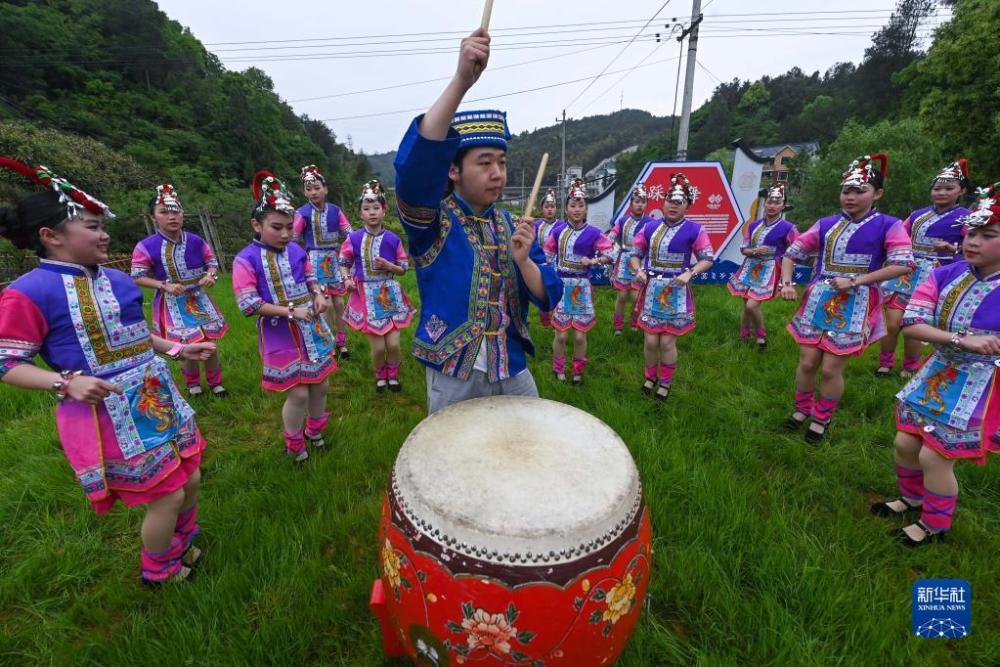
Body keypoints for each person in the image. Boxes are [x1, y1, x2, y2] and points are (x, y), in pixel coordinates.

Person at [0, 158, 214, 586]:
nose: (105, 234)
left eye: (102, 226)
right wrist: (66, 382)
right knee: (166, 493)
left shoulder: (117, 280)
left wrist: (178, 347)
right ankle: (158, 568)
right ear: (51, 236)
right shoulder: (27, 293)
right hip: (110, 410)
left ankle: (182, 541)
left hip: (156, 393)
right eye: (93, 227)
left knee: (191, 475)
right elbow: (7, 363)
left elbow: (137, 335)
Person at [392, 27, 563, 415]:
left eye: (501, 163)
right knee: (448, 456)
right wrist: (461, 82)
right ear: (453, 170)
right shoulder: (432, 223)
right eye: (484, 163)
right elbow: (415, 171)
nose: (497, 173)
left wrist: (524, 261)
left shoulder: (511, 226)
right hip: (454, 366)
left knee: (528, 442)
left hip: (510, 363)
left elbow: (549, 294)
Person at [870, 184, 1000, 546]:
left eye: (987, 235)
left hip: (982, 381)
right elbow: (912, 321)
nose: (973, 241)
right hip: (940, 368)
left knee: (935, 454)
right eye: (971, 233)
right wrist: (962, 340)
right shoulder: (945, 274)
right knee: (905, 442)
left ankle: (935, 524)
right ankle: (911, 499)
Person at [780, 154, 915, 443]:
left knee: (831, 367)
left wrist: (857, 280)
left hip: (857, 302)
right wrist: (787, 283)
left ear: (877, 193)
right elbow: (792, 254)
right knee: (807, 363)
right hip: (818, 299)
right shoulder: (826, 224)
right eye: (846, 191)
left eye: (860, 191)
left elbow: (904, 264)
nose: (851, 197)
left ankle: (822, 416)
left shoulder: (889, 225)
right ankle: (801, 409)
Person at [232, 171, 335, 463]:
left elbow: (310, 276)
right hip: (279, 330)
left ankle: (315, 431)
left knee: (322, 384)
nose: (286, 234)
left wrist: (318, 295)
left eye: (289, 227)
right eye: (276, 227)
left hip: (310, 322)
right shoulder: (245, 259)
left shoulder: (296, 251)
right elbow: (248, 304)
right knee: (299, 393)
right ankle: (294, 442)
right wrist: (291, 311)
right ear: (257, 224)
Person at [131, 184, 229, 396]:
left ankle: (216, 383)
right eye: (164, 212)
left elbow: (211, 262)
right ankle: (193, 385)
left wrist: (210, 276)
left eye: (175, 211)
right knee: (186, 345)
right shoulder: (146, 246)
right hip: (172, 303)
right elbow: (137, 275)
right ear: (153, 216)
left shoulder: (196, 240)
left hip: (200, 299)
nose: (171, 216)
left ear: (183, 214)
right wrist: (163, 285)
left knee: (209, 343)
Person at [876, 160, 971, 378]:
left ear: (962, 190)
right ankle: (885, 362)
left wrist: (952, 248)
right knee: (892, 323)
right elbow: (898, 235)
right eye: (937, 188)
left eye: (949, 188)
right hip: (907, 271)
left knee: (915, 324)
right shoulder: (918, 214)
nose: (942, 192)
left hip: (936, 274)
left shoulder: (966, 218)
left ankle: (910, 366)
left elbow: (974, 248)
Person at [630, 173, 715, 400]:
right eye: (669, 200)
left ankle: (665, 382)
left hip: (677, 289)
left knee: (667, 342)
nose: (673, 206)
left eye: (679, 202)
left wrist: (690, 272)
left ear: (687, 205)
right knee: (650, 340)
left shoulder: (695, 230)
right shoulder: (649, 228)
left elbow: (707, 258)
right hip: (651, 289)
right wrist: (638, 270)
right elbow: (635, 253)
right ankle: (650, 376)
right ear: (663, 202)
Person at [340, 180, 415, 392]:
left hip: (389, 295)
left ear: (384, 210)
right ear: (360, 213)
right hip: (366, 297)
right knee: (377, 347)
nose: (372, 212)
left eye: (376, 208)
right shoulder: (353, 239)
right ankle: (380, 375)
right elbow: (343, 262)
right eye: (366, 209)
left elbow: (403, 268)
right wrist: (346, 279)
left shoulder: (393, 239)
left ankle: (393, 374)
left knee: (393, 344)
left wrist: (389, 265)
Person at [544, 178, 615, 383]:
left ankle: (577, 370)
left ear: (586, 209)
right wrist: (549, 279)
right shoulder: (557, 232)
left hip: (583, 287)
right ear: (566, 208)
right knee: (561, 335)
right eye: (572, 205)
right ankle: (558, 368)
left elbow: (611, 254)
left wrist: (593, 260)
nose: (576, 209)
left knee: (579, 336)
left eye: (581, 205)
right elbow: (546, 258)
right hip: (562, 286)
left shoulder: (594, 233)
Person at [726, 182, 798, 349]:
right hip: (750, 266)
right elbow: (744, 249)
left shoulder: (789, 228)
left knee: (752, 304)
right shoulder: (753, 225)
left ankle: (760, 334)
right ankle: (744, 333)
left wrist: (772, 252)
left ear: (783, 206)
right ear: (764, 203)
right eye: (769, 202)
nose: (772, 206)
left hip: (770, 269)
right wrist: (754, 251)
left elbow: (795, 252)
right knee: (746, 304)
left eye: (777, 202)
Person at [293, 164, 353, 358]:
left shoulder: (336, 211)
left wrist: (349, 254)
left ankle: (342, 341)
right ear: (304, 192)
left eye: (317, 187)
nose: (313, 192)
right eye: (309, 189)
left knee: (339, 302)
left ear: (325, 189)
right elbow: (293, 240)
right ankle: (329, 342)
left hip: (334, 260)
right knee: (324, 302)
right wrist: (300, 262)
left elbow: (349, 234)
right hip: (315, 261)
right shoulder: (301, 213)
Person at [606, 183, 652, 335]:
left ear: (646, 204)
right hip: (624, 260)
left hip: (640, 261)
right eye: (637, 201)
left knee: (635, 296)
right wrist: (606, 245)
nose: (640, 205)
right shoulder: (622, 221)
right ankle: (618, 326)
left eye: (643, 202)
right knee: (622, 296)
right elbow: (612, 235)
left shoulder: (650, 223)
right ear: (631, 203)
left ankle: (635, 323)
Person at [534, 188, 560, 328]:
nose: (550, 209)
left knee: (556, 290)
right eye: (547, 206)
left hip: (557, 263)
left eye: (553, 206)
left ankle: (558, 319)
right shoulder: (536, 225)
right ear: (542, 209)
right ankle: (545, 321)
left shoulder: (562, 225)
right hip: (541, 263)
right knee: (542, 291)